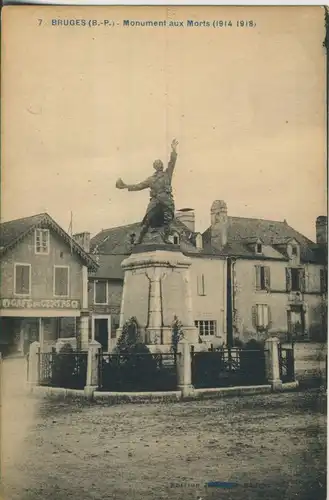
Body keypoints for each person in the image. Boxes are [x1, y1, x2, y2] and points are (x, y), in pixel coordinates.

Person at [116, 139, 179, 244]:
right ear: (155, 166)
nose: (160, 165)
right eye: (158, 164)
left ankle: (165, 238)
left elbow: (172, 163)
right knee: (148, 219)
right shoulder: (151, 179)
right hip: (155, 201)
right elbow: (139, 186)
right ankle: (139, 238)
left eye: (161, 163)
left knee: (168, 220)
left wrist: (173, 150)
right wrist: (125, 186)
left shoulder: (167, 174)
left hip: (167, 201)